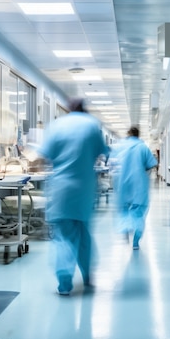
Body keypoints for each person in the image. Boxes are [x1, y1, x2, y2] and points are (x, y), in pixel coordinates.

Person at [39, 98, 107, 295]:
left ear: (68, 109)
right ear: (85, 110)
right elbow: (101, 154)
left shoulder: (56, 126)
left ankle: (65, 281)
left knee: (63, 236)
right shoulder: (92, 126)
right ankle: (87, 276)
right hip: (84, 188)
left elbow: (45, 158)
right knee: (84, 233)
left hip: (61, 189)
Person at [116, 126, 157, 250]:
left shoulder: (121, 147)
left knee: (124, 210)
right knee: (138, 213)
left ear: (128, 134)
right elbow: (152, 164)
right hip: (139, 185)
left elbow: (114, 164)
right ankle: (135, 242)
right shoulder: (143, 147)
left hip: (123, 185)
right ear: (138, 135)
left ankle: (125, 227)